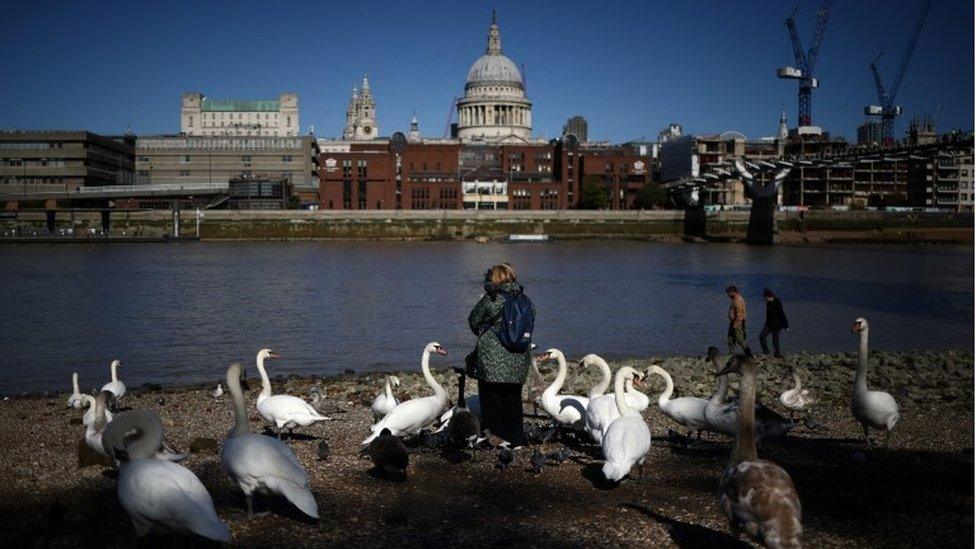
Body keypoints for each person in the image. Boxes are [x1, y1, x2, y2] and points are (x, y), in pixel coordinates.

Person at [466, 264, 533, 446]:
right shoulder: (525, 300)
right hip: (519, 358)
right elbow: (530, 321)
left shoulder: (492, 299)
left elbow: (473, 320)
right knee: (513, 400)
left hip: (492, 359)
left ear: (495, 279)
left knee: (491, 399)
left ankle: (496, 440)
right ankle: (516, 440)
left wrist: (485, 332)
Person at [759, 288, 789, 358]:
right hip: (768, 324)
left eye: (765, 298)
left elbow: (782, 314)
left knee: (775, 340)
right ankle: (766, 352)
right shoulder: (768, 303)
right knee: (761, 336)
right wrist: (766, 323)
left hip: (777, 325)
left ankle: (777, 354)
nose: (765, 300)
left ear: (769, 296)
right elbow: (768, 315)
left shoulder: (777, 302)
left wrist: (786, 326)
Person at [726, 285, 751, 355]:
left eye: (728, 294)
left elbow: (740, 313)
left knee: (739, 338)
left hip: (737, 322)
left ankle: (748, 352)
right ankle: (731, 353)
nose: (728, 295)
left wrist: (736, 324)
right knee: (730, 338)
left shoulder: (738, 300)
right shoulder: (735, 299)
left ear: (732, 292)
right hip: (733, 322)